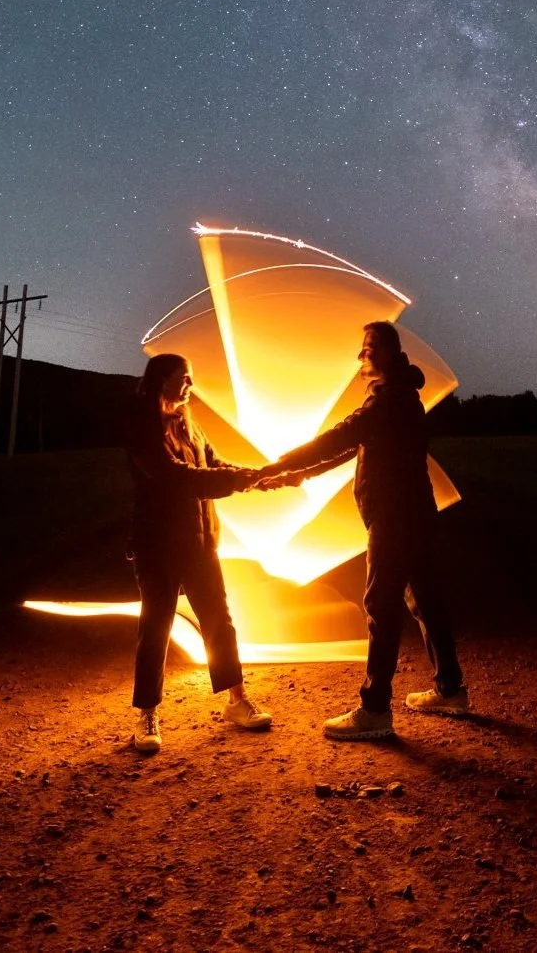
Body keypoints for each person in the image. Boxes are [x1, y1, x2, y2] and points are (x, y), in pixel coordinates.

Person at [256, 321, 467, 741]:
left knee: (381, 605)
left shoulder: (388, 400)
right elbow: (357, 447)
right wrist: (297, 476)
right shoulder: (399, 397)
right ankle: (450, 690)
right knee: (425, 600)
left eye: (367, 349)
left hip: (394, 517)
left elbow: (341, 435)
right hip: (414, 514)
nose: (360, 357)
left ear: (386, 354)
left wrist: (279, 463)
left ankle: (374, 710)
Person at [124, 352, 271, 753]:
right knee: (155, 625)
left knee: (218, 620)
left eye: (190, 377)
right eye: (183, 377)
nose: (190, 384)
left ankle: (237, 701)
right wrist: (238, 480)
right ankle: (147, 714)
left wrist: (256, 476)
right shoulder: (142, 425)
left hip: (201, 542)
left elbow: (213, 463)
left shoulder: (191, 422)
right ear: (161, 379)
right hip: (158, 545)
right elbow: (177, 477)